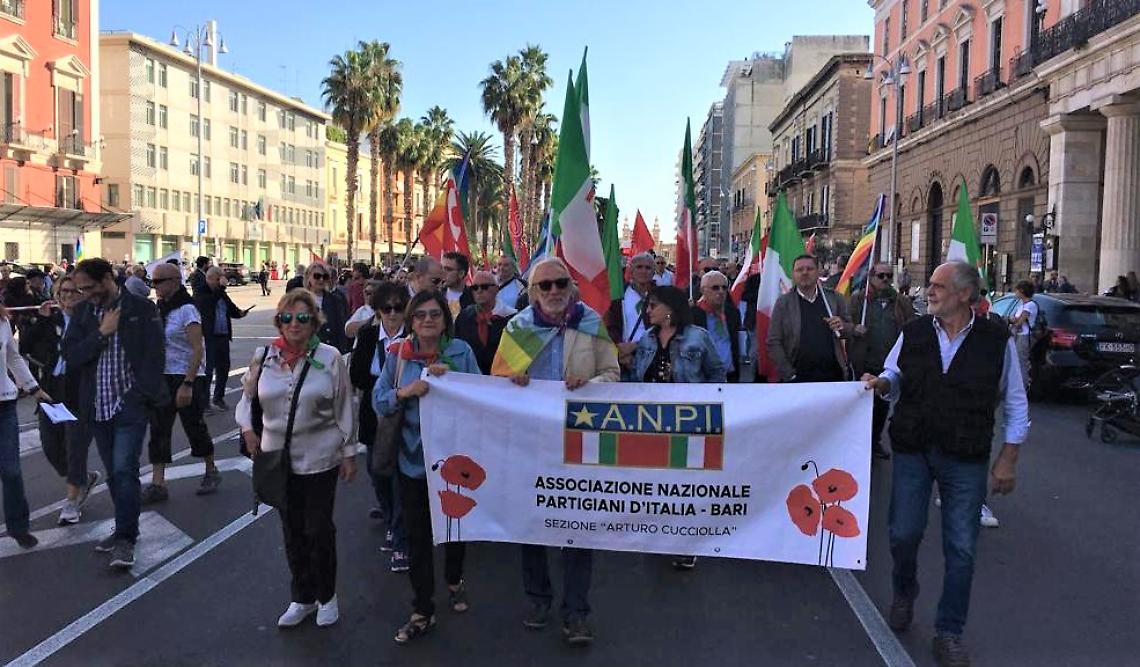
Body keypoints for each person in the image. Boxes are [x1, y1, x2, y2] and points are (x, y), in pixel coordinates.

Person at [863, 262, 1028, 667]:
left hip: (965, 454)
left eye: (938, 286)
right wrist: (882, 384)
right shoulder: (915, 331)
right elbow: (892, 372)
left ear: (965, 295)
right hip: (914, 447)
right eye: (930, 286)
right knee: (903, 533)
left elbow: (1016, 401)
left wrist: (1008, 458)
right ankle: (905, 590)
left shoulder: (995, 339)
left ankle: (948, 632)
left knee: (962, 548)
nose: (929, 292)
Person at [491, 257, 619, 646]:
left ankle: (576, 613)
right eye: (544, 286)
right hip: (532, 443)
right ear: (531, 292)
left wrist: (590, 384)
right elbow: (496, 382)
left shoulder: (591, 323)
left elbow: (613, 375)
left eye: (560, 283)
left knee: (577, 528)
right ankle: (538, 599)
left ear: (572, 286)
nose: (553, 292)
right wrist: (513, 380)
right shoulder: (518, 327)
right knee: (533, 523)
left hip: (579, 444)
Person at [236, 289, 356, 628]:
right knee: (292, 530)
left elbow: (345, 407)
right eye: (287, 318)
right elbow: (247, 400)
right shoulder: (264, 356)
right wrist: (247, 430)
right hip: (277, 459)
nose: (294, 324)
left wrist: (349, 453)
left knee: (318, 528)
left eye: (303, 318)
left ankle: (327, 596)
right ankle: (302, 597)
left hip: (321, 458)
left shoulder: (330, 357)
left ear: (314, 322)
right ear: (279, 321)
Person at [374, 290, 481, 644]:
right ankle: (422, 608)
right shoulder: (399, 355)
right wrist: (406, 391)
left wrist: (451, 381)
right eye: (420, 315)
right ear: (411, 321)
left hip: (454, 462)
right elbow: (379, 399)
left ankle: (454, 579)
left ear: (444, 320)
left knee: (454, 528)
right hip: (412, 460)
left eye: (434, 314)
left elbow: (481, 397)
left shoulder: (461, 352)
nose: (428, 320)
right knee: (418, 535)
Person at [63, 258, 165, 569]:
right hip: (97, 407)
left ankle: (125, 539)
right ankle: (123, 529)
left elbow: (153, 357)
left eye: (91, 287)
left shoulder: (141, 308)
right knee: (113, 473)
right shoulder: (83, 313)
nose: (87, 294)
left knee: (124, 470)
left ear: (109, 278)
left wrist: (139, 397)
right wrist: (102, 333)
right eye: (81, 289)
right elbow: (71, 355)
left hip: (128, 407)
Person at [634, 285, 726, 569]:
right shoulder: (647, 339)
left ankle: (686, 543)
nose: (647, 311)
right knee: (656, 481)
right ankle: (659, 534)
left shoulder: (698, 337)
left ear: (669, 310)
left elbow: (717, 373)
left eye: (652, 306)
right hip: (651, 422)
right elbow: (637, 376)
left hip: (688, 423)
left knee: (685, 484)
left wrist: (704, 405)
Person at [24, 276, 99, 525]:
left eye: (75, 291)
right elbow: (24, 347)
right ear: (56, 294)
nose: (68, 296)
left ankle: (72, 501)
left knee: (75, 447)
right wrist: (41, 321)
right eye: (64, 291)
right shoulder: (49, 319)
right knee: (51, 446)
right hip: (52, 391)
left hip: (79, 390)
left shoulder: (91, 319)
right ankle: (81, 478)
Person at [143, 263, 219, 503]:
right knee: (158, 429)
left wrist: (188, 383)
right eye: (152, 282)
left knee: (193, 426)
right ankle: (158, 483)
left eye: (158, 282)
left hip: (187, 376)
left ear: (174, 281)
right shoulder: (159, 309)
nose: (154, 287)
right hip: (162, 377)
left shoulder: (188, 310)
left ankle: (211, 469)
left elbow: (198, 349)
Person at [349, 282, 409, 572]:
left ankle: (400, 537)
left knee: (400, 477)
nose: (394, 314)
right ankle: (389, 517)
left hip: (405, 414)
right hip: (374, 412)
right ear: (379, 310)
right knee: (377, 471)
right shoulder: (368, 335)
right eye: (388, 308)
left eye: (399, 307)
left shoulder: (413, 338)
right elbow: (357, 375)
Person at [849, 263, 916, 460]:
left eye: (888, 276)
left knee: (881, 406)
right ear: (871, 277)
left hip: (889, 362)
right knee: (861, 406)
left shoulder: (901, 302)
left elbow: (912, 328)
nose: (885, 279)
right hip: (864, 361)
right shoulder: (858, 300)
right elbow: (845, 322)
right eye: (881, 275)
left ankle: (875, 441)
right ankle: (859, 443)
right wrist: (854, 328)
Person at [1, 301, 52, 548]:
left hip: (5, 405)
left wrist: (33, 387)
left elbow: (13, 357)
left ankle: (18, 527)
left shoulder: (1, 321)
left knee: (11, 470)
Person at [767, 254, 853, 382]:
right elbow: (773, 341)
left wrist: (842, 326)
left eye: (810, 269)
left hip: (832, 376)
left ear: (818, 272)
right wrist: (788, 373)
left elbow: (850, 330)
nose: (805, 273)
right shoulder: (783, 303)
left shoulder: (834, 298)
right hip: (798, 377)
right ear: (793, 274)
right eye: (800, 270)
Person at [195, 266, 252, 412]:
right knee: (208, 370)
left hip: (223, 336)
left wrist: (239, 313)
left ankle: (218, 397)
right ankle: (204, 402)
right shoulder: (201, 291)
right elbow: (208, 305)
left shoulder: (221, 294)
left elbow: (231, 309)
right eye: (220, 278)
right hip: (209, 336)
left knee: (223, 368)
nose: (223, 281)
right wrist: (221, 289)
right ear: (212, 278)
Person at [606, 252, 656, 378]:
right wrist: (620, 350)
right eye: (639, 267)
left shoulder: (661, 296)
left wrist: (635, 346)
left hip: (652, 356)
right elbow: (611, 326)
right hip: (622, 358)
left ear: (653, 272)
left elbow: (664, 328)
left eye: (648, 267)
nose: (643, 271)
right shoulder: (619, 295)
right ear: (631, 271)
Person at [455, 271, 512, 374]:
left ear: (496, 289)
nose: (479, 291)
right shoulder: (464, 317)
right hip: (471, 379)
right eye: (475, 288)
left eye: (484, 287)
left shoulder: (511, 318)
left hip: (501, 378)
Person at [690, 270, 741, 382]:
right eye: (715, 288)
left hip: (730, 376)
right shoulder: (693, 315)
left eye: (724, 287)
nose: (721, 291)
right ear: (703, 290)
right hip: (704, 378)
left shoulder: (732, 313)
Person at [304, 262, 350, 353]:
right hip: (305, 351)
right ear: (308, 277)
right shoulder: (299, 299)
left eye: (325, 277)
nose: (321, 280)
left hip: (330, 350)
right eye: (317, 276)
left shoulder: (336, 300)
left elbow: (341, 328)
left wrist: (342, 352)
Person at [1008, 280, 1037, 393]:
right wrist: (1013, 319)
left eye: (1016, 290)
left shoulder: (1030, 305)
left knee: (1021, 363)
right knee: (1015, 362)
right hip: (1018, 335)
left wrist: (1012, 320)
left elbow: (1019, 322)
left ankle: (1022, 389)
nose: (1015, 293)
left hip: (1024, 336)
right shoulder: (1022, 305)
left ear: (1022, 291)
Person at [440, 252, 474, 318]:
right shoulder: (436, 296)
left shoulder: (474, 298)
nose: (442, 273)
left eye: (448, 269)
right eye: (441, 268)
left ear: (461, 273)